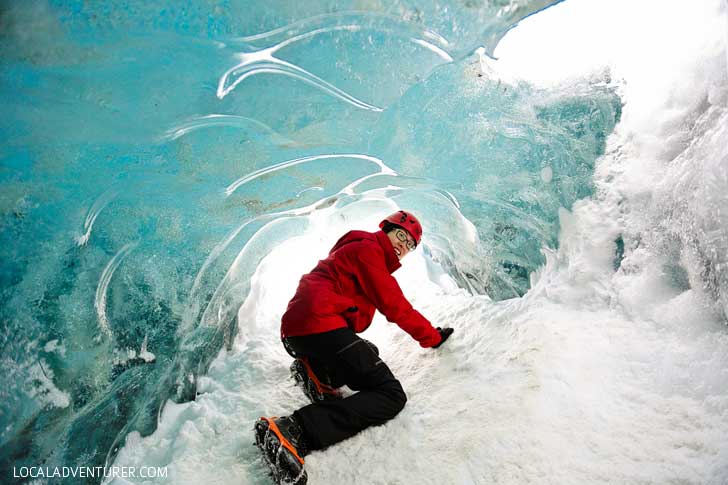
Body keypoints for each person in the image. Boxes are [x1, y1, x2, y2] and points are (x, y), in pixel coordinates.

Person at [254, 210, 454, 485]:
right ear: (386, 229)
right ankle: (294, 430)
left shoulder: (356, 247)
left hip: (299, 333)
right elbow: (396, 307)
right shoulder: (370, 252)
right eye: (401, 235)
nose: (403, 246)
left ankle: (319, 374)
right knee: (391, 395)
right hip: (320, 324)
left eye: (410, 245)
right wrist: (432, 336)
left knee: (366, 350)